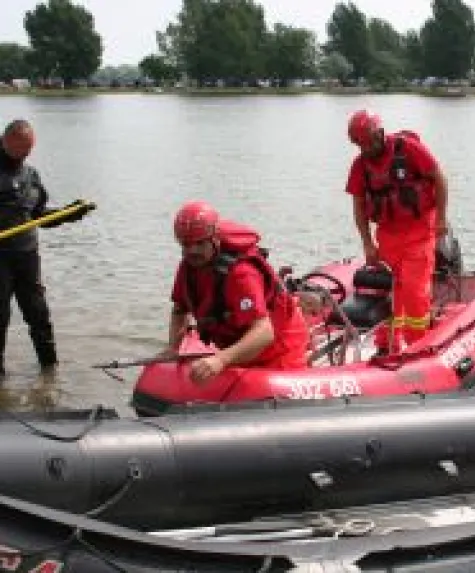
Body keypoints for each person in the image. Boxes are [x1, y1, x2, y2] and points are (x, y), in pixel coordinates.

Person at [0, 119, 90, 377]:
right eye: (23, 148)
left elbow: (39, 216)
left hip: (26, 257)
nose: (27, 153)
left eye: (30, 149)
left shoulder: (31, 176)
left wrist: (70, 213)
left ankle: (50, 372)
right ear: (6, 142)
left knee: (39, 315)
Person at [164, 201, 310, 383]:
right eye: (186, 245)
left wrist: (220, 360)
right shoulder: (189, 266)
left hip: (278, 350)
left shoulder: (241, 273)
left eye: (200, 243)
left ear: (214, 239)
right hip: (238, 348)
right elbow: (180, 309)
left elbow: (264, 332)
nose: (193, 251)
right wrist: (173, 347)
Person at [344, 109, 450, 356]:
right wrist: (367, 244)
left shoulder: (409, 149)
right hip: (388, 233)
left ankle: (417, 347)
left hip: (419, 228)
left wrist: (442, 217)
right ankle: (385, 344)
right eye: (360, 144)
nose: (365, 148)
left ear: (380, 133)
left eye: (368, 141)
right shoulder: (360, 165)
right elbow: (359, 205)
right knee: (389, 289)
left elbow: (439, 178)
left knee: (414, 292)